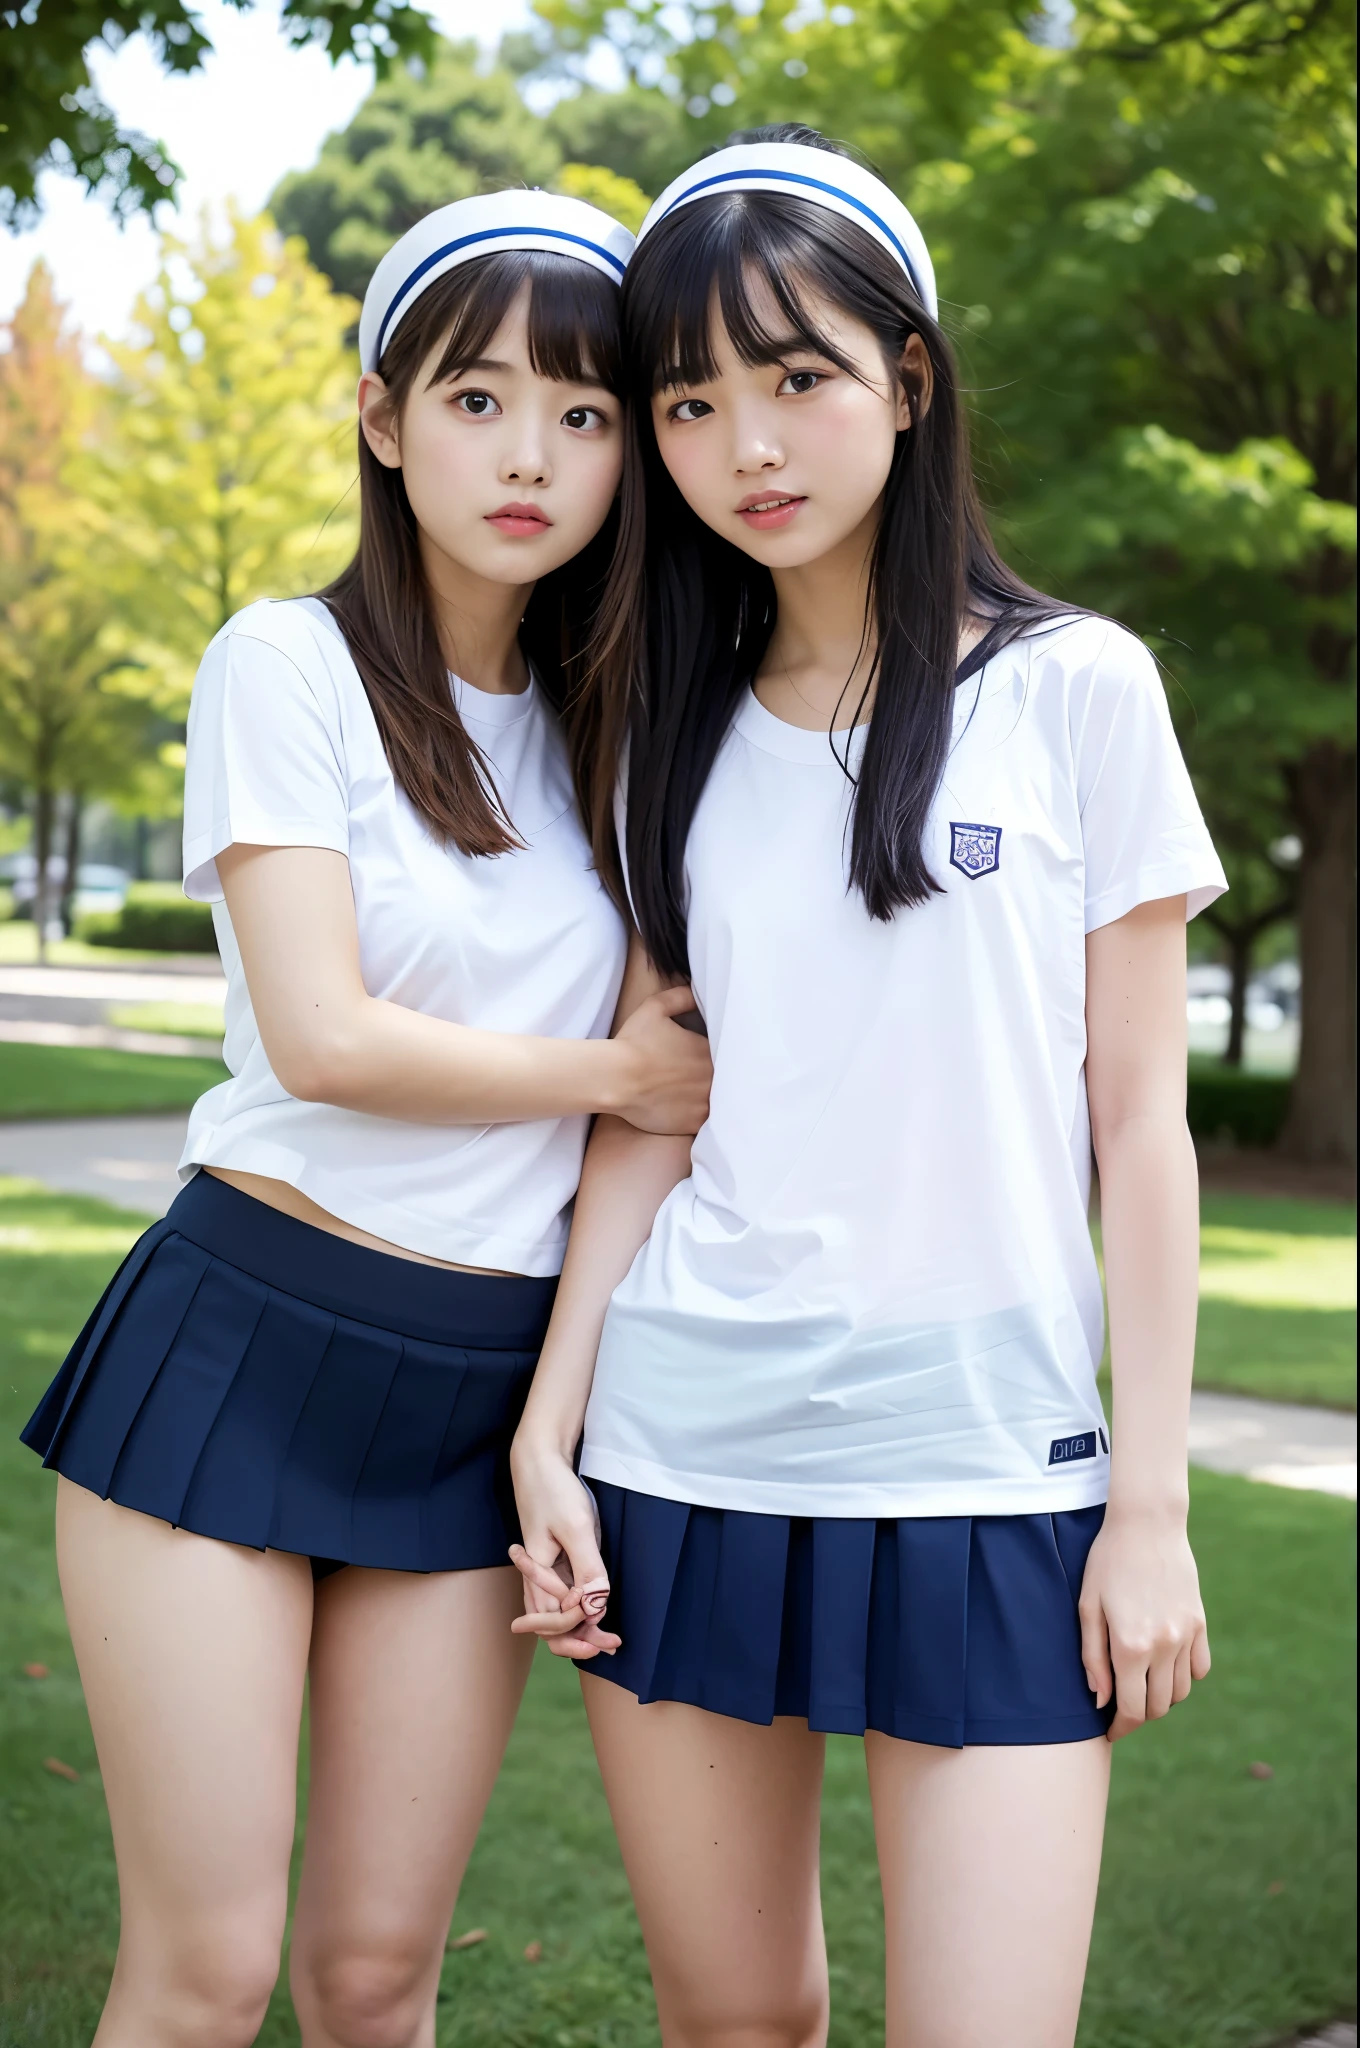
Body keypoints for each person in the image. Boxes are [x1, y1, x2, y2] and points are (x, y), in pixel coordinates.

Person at [509, 130, 1226, 2048]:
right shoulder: (661, 731)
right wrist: (550, 1435)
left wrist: (1145, 1508)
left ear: (908, 380)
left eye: (798, 376)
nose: (748, 441)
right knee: (736, 2021)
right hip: (686, 1457)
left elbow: (1139, 1124)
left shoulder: (1082, 691)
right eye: (689, 399)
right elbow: (655, 1116)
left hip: (997, 1478)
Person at [21, 189, 711, 2048]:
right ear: (381, 416)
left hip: (470, 1392)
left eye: (582, 416)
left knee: (374, 1975)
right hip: (240, 1342)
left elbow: (663, 1101)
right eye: (478, 399)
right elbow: (323, 1036)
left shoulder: (628, 733)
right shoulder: (285, 662)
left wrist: (556, 1418)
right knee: (204, 1971)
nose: (531, 457)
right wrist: (609, 1075)